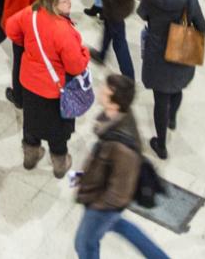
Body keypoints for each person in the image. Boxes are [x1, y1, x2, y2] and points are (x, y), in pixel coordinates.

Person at [73, 72, 171, 259]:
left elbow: (119, 194)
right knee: (119, 225)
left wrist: (96, 205)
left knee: (84, 244)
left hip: (102, 203)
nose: (100, 90)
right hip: (101, 193)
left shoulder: (122, 147)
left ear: (114, 100)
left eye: (105, 88)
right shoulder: (117, 117)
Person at [6, 0, 87, 173]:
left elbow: (11, 28)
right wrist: (85, 52)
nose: (70, 3)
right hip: (55, 91)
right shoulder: (63, 31)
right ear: (53, 5)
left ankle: (30, 156)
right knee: (58, 132)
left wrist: (27, 46)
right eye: (65, 1)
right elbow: (76, 66)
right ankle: (60, 164)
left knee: (31, 123)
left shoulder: (31, 13)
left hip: (29, 83)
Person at [136, 0, 205, 160]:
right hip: (182, 54)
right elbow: (203, 27)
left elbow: (142, 15)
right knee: (177, 88)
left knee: (160, 99)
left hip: (157, 56)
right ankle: (172, 118)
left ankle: (161, 144)